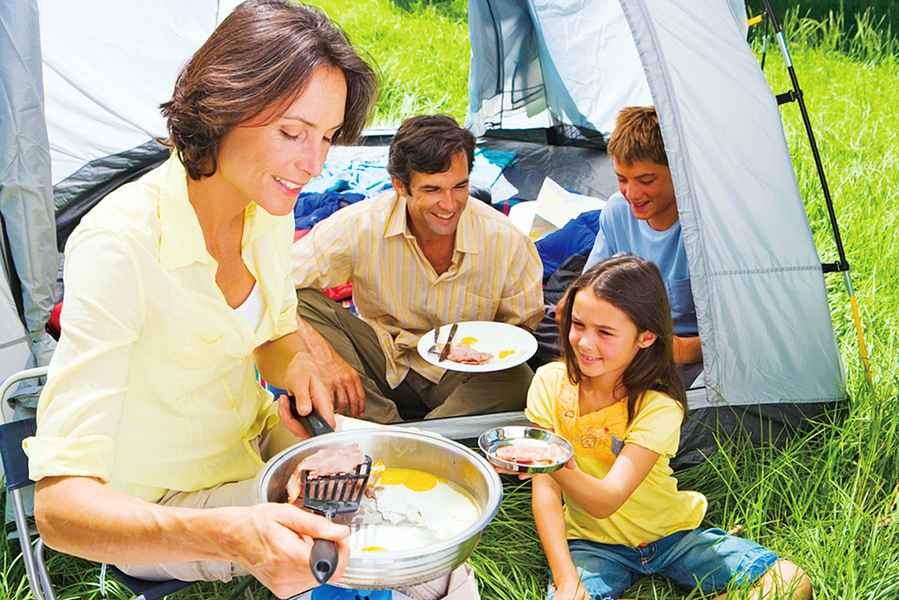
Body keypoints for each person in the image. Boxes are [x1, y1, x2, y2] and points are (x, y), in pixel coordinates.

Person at [23, 2, 379, 597]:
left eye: (326, 137)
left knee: (378, 492)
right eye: (292, 132)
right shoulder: (120, 245)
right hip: (165, 504)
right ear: (223, 108)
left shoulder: (264, 208)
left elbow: (272, 335)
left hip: (249, 443)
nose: (314, 165)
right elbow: (59, 511)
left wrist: (297, 371)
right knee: (357, 549)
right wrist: (231, 536)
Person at [517, 256, 811, 599]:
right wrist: (567, 577)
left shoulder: (658, 406)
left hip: (671, 535)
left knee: (791, 581)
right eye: (578, 324)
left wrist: (541, 460)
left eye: (605, 332)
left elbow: (606, 499)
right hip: (590, 544)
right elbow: (547, 494)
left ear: (645, 338)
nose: (584, 342)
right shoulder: (549, 383)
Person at [291, 114, 544, 423]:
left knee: (517, 379)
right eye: (432, 190)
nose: (449, 205)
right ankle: (392, 426)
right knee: (303, 304)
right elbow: (275, 282)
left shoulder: (506, 241)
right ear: (400, 186)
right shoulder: (361, 224)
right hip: (383, 359)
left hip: (458, 377)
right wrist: (325, 357)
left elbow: (523, 327)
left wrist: (482, 353)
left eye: (460, 186)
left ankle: (410, 439)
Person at [583, 106, 702, 384]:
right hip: (623, 344)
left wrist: (684, 350)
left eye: (646, 181)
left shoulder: (702, 229)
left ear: (679, 173)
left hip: (684, 356)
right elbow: (588, 291)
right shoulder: (616, 211)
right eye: (622, 179)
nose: (631, 194)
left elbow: (739, 336)